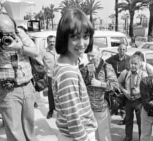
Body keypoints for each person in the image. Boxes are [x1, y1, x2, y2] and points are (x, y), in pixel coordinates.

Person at [0, 13, 39, 140]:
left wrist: (20, 47)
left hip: (27, 87)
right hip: (7, 91)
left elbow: (36, 52)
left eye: (11, 32)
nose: (8, 36)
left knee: (29, 126)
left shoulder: (19, 32)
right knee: (15, 131)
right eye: (3, 33)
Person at [52, 8, 98, 141]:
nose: (82, 43)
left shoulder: (68, 61)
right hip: (79, 136)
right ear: (63, 38)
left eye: (85, 36)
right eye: (74, 37)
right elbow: (73, 117)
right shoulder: (68, 73)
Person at [81, 45, 119, 141]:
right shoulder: (86, 68)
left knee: (104, 135)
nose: (90, 58)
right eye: (88, 56)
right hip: (88, 108)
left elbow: (115, 86)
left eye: (92, 56)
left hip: (102, 108)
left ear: (99, 54)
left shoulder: (107, 67)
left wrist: (101, 84)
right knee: (91, 136)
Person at [118, 53, 148, 141]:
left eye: (135, 64)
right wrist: (124, 92)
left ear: (140, 64)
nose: (133, 66)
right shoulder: (126, 72)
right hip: (128, 101)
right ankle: (128, 137)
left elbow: (147, 88)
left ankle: (141, 138)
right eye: (132, 63)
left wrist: (139, 91)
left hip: (139, 101)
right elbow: (118, 82)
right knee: (128, 120)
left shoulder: (143, 74)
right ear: (129, 63)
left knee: (140, 122)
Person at [106, 43, 130, 124]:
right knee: (115, 99)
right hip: (115, 83)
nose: (122, 51)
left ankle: (124, 116)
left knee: (125, 100)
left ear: (126, 50)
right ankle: (114, 111)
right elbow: (105, 64)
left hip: (125, 83)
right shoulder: (113, 59)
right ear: (117, 50)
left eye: (123, 49)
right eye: (120, 49)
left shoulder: (129, 59)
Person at [43, 35, 58, 119]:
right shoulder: (44, 52)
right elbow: (39, 64)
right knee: (51, 94)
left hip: (59, 76)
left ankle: (60, 110)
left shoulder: (59, 51)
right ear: (47, 42)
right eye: (50, 41)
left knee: (60, 93)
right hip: (50, 76)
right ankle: (51, 110)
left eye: (53, 41)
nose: (52, 43)